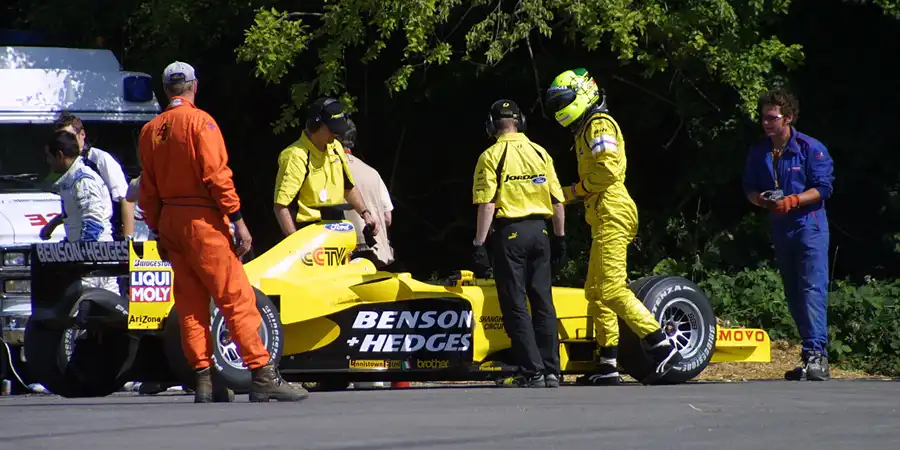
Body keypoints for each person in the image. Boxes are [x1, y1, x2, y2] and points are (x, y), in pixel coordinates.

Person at [137, 61, 307, 403]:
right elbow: (217, 176)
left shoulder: (149, 131)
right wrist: (237, 218)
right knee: (236, 297)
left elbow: (147, 190)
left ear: (166, 89)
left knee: (189, 305)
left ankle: (203, 379)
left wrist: (157, 228)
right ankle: (262, 374)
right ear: (193, 87)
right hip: (202, 221)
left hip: (170, 219)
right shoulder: (202, 122)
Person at [544, 68, 682, 385]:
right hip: (603, 212)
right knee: (595, 292)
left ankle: (661, 345)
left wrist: (569, 194)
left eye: (564, 100)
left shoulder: (599, 125)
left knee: (612, 289)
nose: (559, 108)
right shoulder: (584, 130)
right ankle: (608, 364)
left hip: (613, 209)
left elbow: (606, 172)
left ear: (583, 93)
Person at [471, 99, 567, 388]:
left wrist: (478, 244)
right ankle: (553, 371)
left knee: (515, 304)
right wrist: (560, 238)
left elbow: (487, 204)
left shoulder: (491, 156)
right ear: (521, 121)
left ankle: (532, 371)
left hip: (509, 232)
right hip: (541, 232)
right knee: (543, 301)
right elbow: (558, 201)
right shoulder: (540, 152)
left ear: (491, 125)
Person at [742, 88, 834, 381]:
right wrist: (762, 201)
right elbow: (749, 188)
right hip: (781, 227)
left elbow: (824, 188)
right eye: (764, 118)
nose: (767, 123)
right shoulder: (759, 151)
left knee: (812, 289)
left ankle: (818, 354)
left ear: (789, 117)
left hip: (810, 226)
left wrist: (793, 200)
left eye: (772, 117)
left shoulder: (810, 148)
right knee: (793, 292)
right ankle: (808, 357)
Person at [272, 97, 379, 237]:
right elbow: (281, 206)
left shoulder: (336, 148)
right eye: (332, 129)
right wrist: (296, 245)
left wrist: (365, 213)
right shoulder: (296, 156)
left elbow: (348, 187)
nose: (336, 134)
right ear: (315, 126)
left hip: (337, 230)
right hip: (308, 232)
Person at [43, 130, 119, 293]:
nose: (48, 162)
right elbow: (75, 219)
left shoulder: (83, 180)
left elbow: (93, 222)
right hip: (92, 258)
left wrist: (81, 257)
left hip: (95, 260)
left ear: (60, 154)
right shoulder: (71, 180)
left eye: (49, 156)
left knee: (91, 308)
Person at [40, 113, 135, 241]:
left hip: (107, 237)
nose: (63, 142)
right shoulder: (69, 168)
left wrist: (127, 242)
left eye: (69, 136)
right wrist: (53, 224)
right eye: (60, 137)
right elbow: (79, 206)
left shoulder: (100, 160)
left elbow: (126, 199)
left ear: (82, 135)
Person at [336, 119, 396, 269]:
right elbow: (388, 218)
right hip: (378, 255)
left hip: (345, 256)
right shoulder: (373, 173)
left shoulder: (329, 169)